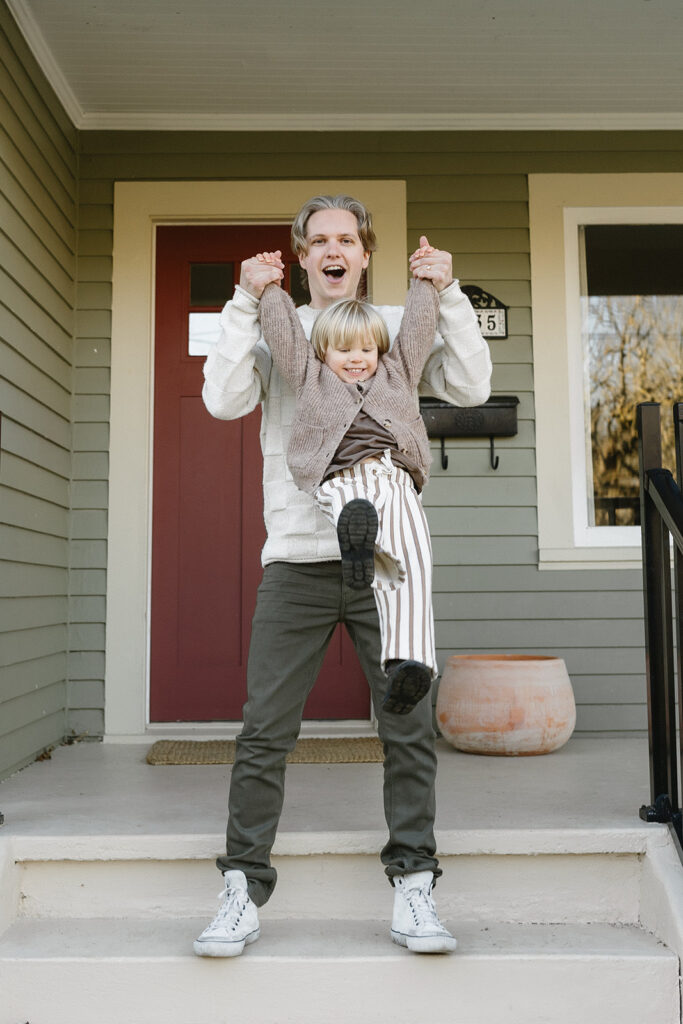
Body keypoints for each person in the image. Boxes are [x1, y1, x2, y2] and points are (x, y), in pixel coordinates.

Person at [195, 194, 492, 959]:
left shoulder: (391, 327)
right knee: (265, 729)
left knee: (408, 723)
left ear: (364, 253)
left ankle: (414, 888)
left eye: (347, 239)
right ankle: (241, 888)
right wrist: (241, 298)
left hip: (383, 555)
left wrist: (449, 291)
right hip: (296, 558)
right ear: (301, 257)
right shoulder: (278, 328)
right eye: (317, 239)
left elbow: (470, 389)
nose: (333, 249)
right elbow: (222, 400)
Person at [257, 270, 440, 716]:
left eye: (366, 349)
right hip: (336, 474)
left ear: (379, 349)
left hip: (393, 476)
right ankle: (356, 539)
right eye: (343, 350)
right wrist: (269, 290)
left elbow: (416, 330)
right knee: (346, 502)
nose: (357, 358)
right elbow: (283, 335)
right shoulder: (310, 376)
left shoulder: (396, 373)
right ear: (322, 351)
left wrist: (424, 283)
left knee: (414, 556)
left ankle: (408, 663)